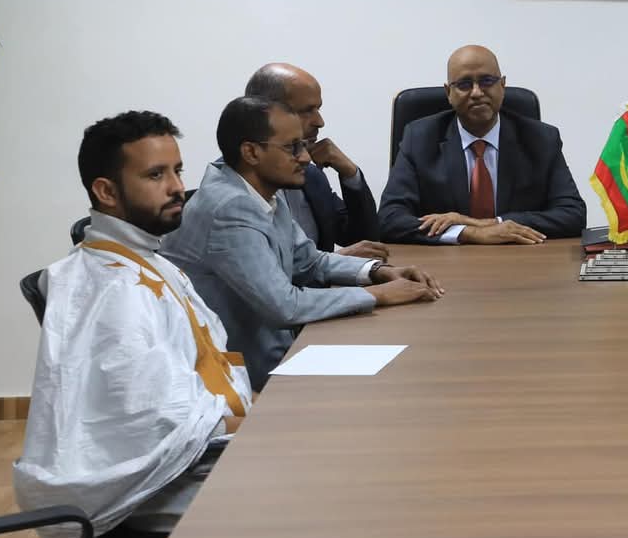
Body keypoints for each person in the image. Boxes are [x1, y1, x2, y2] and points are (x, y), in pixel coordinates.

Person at [15, 111, 252, 538]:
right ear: (106, 191)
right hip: (160, 492)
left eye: (178, 170)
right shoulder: (114, 291)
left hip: (202, 457)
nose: (177, 187)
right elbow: (155, 423)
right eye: (156, 175)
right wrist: (261, 424)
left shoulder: (143, 260)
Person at [163, 97, 442, 391]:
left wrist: (378, 271)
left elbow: (309, 260)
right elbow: (284, 306)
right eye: (293, 147)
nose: (306, 158)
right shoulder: (229, 208)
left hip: (284, 350)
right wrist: (379, 295)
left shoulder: (262, 188)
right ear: (251, 152)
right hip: (244, 375)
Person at [379, 44, 587, 243]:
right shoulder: (419, 138)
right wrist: (468, 233)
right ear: (448, 93)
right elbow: (389, 218)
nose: (477, 92)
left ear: (502, 85)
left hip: (521, 258)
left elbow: (573, 214)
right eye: (464, 84)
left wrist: (491, 223)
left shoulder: (541, 139)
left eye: (487, 81)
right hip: (445, 261)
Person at [244, 62, 386, 258]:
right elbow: (263, 269)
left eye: (318, 109)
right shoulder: (238, 186)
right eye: (307, 111)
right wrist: (336, 260)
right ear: (266, 113)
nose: (320, 122)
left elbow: (366, 241)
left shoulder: (311, 175)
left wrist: (350, 173)